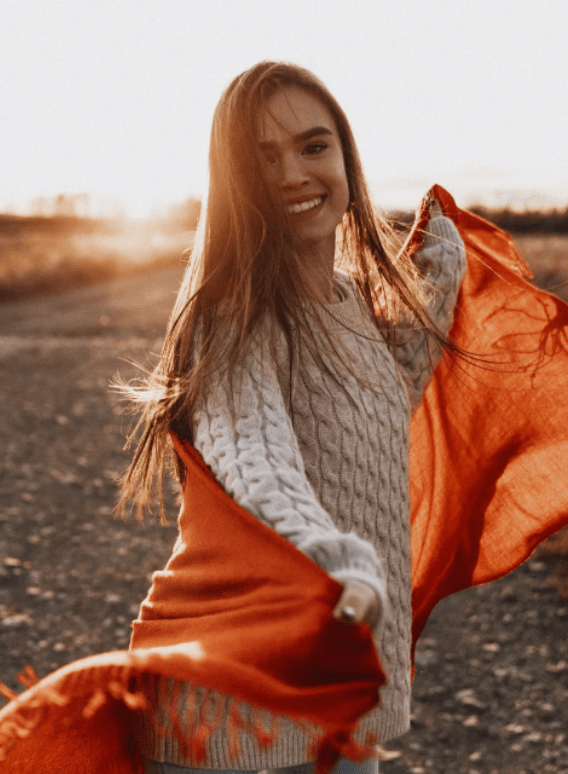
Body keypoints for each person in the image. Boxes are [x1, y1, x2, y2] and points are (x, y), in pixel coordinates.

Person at [118, 61, 466, 774]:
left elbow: (378, 403)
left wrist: (439, 282)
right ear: (235, 181)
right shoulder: (233, 315)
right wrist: (333, 558)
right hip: (230, 712)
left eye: (313, 147)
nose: (293, 174)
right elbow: (256, 457)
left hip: (337, 689)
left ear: (345, 156)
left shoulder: (350, 307)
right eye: (263, 158)